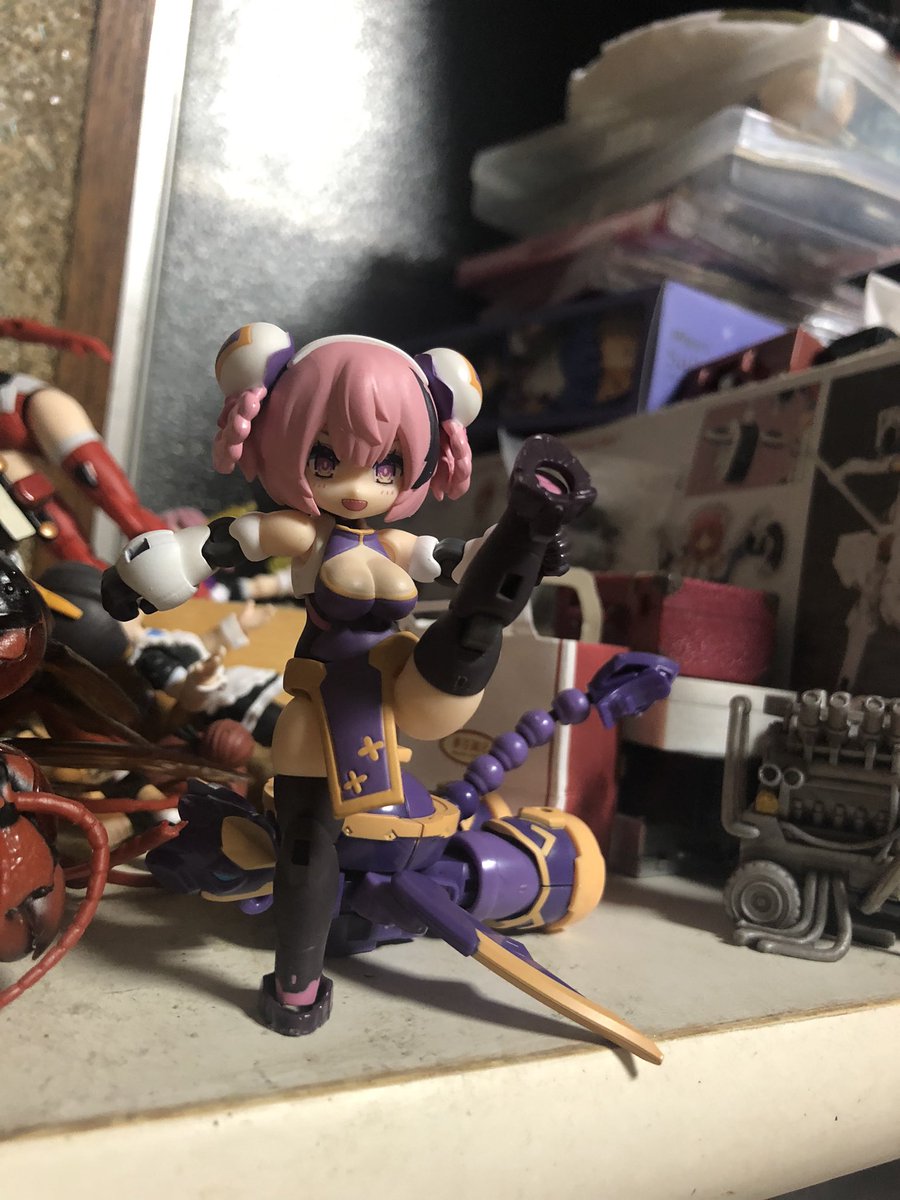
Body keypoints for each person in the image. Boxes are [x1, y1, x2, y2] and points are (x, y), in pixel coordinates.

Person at [102, 325, 596, 1036]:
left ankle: (486, 616)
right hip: (319, 700)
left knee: (467, 636)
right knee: (308, 844)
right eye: (326, 459)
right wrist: (140, 576)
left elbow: (454, 558)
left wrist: (519, 547)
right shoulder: (302, 535)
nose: (358, 487)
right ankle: (296, 986)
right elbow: (216, 545)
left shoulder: (394, 543)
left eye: (387, 465)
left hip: (396, 692)